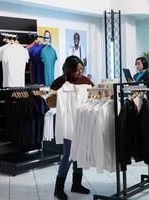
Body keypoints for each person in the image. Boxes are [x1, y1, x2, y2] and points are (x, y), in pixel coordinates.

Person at [51, 56, 93, 200]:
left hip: (82, 121)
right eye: (77, 69)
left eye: (82, 69)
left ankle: (76, 184)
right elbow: (50, 95)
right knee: (68, 155)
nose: (80, 72)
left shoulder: (86, 81)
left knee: (80, 152)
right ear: (70, 69)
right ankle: (58, 188)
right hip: (69, 121)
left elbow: (93, 95)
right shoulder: (60, 82)